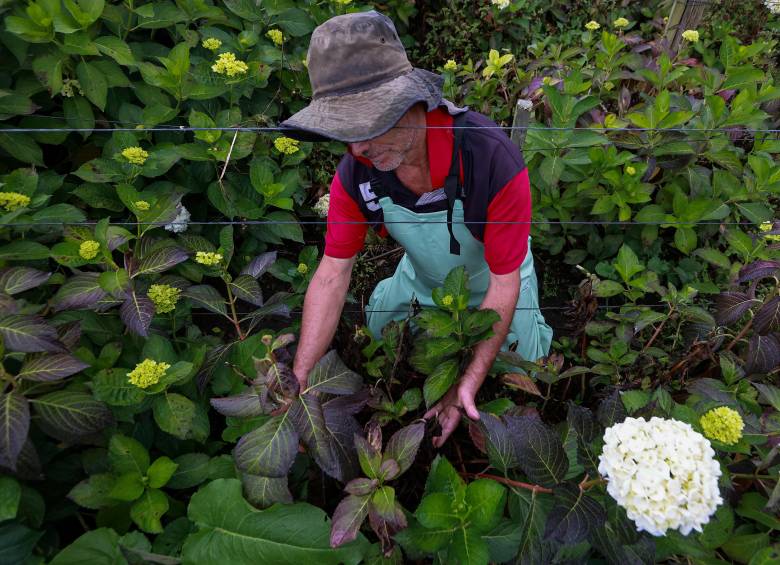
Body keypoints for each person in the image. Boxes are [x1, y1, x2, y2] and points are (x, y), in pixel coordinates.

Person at [281, 10, 552, 446]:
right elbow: (333, 271)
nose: (358, 147)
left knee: (518, 364)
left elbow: (504, 281)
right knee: (378, 336)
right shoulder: (357, 174)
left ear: (412, 101)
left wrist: (467, 380)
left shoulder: (490, 159)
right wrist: (299, 375)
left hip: (499, 279)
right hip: (422, 278)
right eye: (345, 131)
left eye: (370, 123)